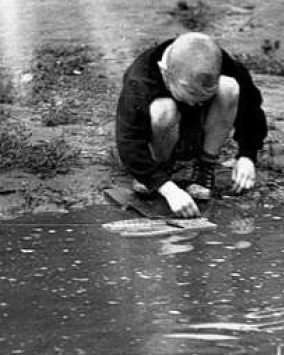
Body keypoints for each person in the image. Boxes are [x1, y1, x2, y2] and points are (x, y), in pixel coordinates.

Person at [115, 32, 268, 217]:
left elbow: (251, 106)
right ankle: (160, 169)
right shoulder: (140, 79)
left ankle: (205, 168)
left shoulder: (216, 61)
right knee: (163, 110)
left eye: (202, 98)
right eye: (190, 96)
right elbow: (128, 141)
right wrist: (166, 188)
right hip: (160, 135)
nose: (196, 103)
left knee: (230, 88)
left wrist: (247, 155)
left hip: (204, 130)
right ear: (165, 72)